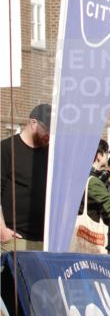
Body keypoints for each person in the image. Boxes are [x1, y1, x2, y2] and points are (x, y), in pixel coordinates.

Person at [1, 103, 51, 250]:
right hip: (15, 238)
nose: (49, 135)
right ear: (33, 123)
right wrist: (2, 230)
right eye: (47, 130)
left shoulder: (50, 153)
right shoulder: (6, 149)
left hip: (45, 240)